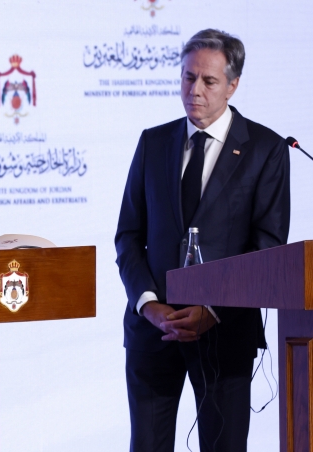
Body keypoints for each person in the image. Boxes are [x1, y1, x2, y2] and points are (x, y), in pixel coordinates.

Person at [115, 29, 290, 452]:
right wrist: (150, 305)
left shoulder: (266, 149)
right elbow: (129, 236)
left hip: (224, 333)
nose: (194, 91)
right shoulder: (153, 142)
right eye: (187, 77)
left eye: (208, 81)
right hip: (153, 333)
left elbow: (266, 248)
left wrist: (213, 310)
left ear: (233, 84)